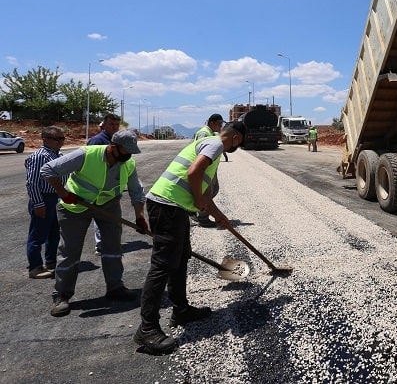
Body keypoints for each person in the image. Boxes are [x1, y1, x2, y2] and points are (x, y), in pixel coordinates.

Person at [134, 121, 246, 354]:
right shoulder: (215, 145)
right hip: (167, 206)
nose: (238, 146)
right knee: (162, 266)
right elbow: (193, 173)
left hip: (174, 209)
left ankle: (181, 310)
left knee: (181, 257)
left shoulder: (210, 146)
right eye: (240, 143)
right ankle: (147, 329)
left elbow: (202, 189)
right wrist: (197, 199)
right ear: (235, 138)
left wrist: (218, 215)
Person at [42, 129, 149, 317]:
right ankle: (61, 295)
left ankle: (115, 288)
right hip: (75, 206)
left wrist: (140, 216)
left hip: (108, 205)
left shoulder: (128, 163)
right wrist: (63, 193)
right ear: (113, 147)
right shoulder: (86, 154)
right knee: (70, 251)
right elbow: (48, 170)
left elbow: (136, 192)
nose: (129, 155)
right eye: (126, 150)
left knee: (113, 248)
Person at [24, 126, 67, 279]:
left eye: (62, 138)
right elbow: (32, 183)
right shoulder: (39, 156)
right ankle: (35, 267)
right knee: (38, 235)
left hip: (56, 198)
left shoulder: (58, 154)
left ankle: (51, 262)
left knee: (54, 233)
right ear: (46, 139)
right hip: (44, 198)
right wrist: (38, 204)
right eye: (58, 139)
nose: (61, 142)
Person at [87, 113, 121, 255]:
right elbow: (89, 162)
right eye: (111, 124)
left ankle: (106, 243)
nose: (114, 127)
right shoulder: (97, 141)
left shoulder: (116, 140)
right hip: (96, 185)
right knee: (99, 216)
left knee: (108, 217)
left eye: (116, 124)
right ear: (104, 125)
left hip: (110, 186)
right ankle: (100, 245)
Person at [192, 113, 226, 227]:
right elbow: (201, 152)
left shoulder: (211, 133)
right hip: (204, 170)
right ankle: (203, 218)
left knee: (214, 189)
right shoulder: (204, 133)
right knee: (206, 192)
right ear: (212, 123)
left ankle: (193, 210)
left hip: (209, 169)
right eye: (219, 124)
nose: (220, 126)